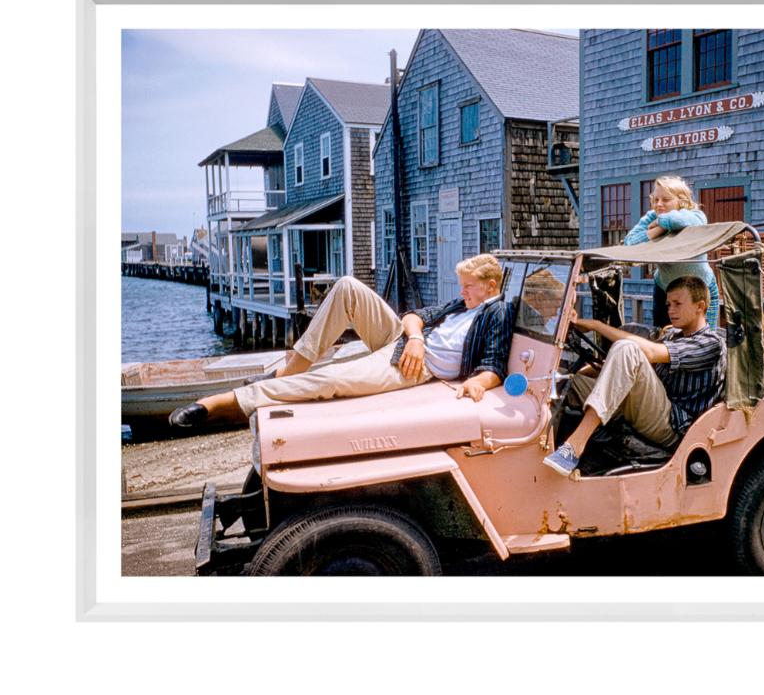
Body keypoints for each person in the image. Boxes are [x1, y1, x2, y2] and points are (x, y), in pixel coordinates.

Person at [169, 254, 514, 431]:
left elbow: (494, 366)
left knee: (331, 379)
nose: (462, 291)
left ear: (490, 285)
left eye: (468, 286)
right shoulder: (463, 304)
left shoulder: (496, 313)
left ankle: (219, 402)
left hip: (414, 366)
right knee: (348, 286)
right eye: (462, 285)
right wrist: (415, 337)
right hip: (407, 342)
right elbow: (415, 315)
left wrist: (478, 383)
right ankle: (290, 371)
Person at [543, 275, 726, 477]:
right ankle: (540, 448)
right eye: (668, 305)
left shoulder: (710, 344)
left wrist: (595, 325)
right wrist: (575, 373)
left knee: (627, 348)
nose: (670, 310)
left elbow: (647, 353)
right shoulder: (672, 335)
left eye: (677, 304)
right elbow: (624, 367)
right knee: (567, 382)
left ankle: (574, 446)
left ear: (700, 307)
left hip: (674, 426)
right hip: (648, 408)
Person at [623, 175, 721, 327]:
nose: (659, 204)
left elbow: (694, 221)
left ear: (681, 201)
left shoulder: (694, 214)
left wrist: (661, 221)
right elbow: (630, 243)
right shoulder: (651, 217)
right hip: (665, 287)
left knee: (703, 335)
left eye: (666, 200)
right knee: (663, 333)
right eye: (655, 199)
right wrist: (658, 230)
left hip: (700, 287)